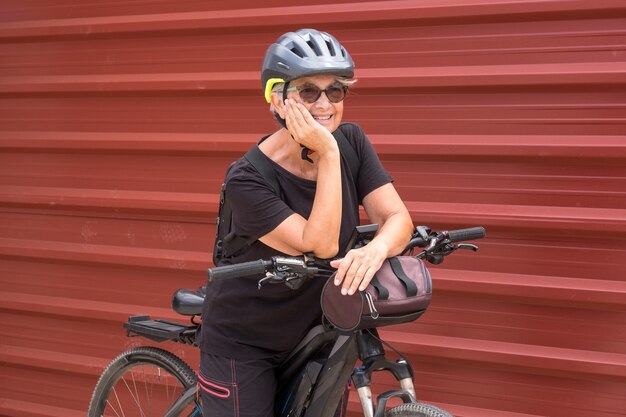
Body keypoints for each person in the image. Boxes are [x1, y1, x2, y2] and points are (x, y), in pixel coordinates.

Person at [199, 28, 413, 417]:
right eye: (308, 91)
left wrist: (375, 249)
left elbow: (397, 217)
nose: (325, 104)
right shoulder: (247, 178)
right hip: (246, 343)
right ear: (276, 99)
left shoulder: (353, 142)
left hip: (317, 334)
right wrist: (328, 154)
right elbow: (322, 244)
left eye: (336, 90)